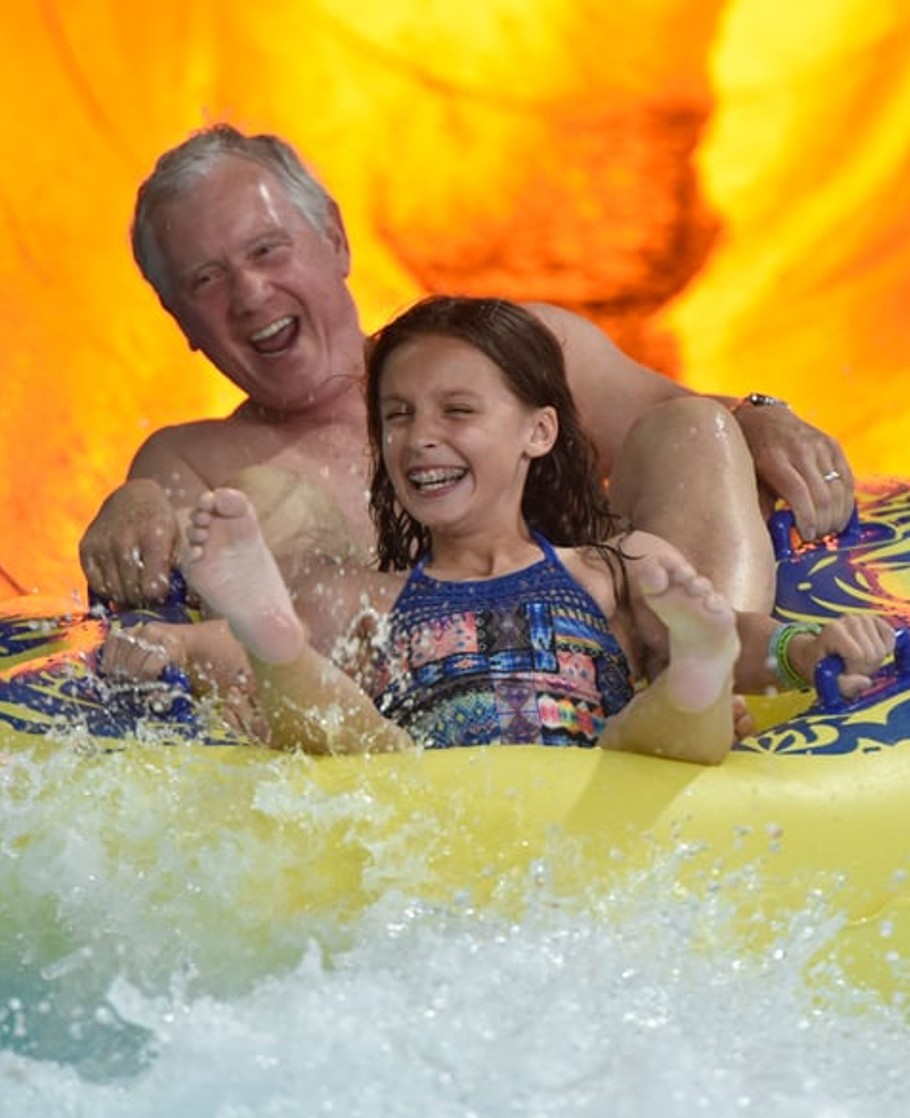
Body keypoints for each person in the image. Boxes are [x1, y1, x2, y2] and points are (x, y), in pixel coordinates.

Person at [81, 123, 855, 629]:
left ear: (336, 243)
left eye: (267, 251)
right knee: (262, 502)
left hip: (627, 679)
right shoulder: (191, 462)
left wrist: (756, 413)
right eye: (207, 281)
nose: (250, 295)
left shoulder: (508, 346)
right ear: (179, 321)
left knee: (697, 430)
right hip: (427, 744)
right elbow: (155, 549)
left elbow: (676, 418)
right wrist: (132, 508)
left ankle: (714, 685)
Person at [106, 297, 893, 760]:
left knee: (653, 727)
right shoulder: (368, 601)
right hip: (436, 794)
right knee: (363, 743)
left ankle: (695, 666)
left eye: (458, 412)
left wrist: (808, 649)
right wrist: (169, 645)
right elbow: (216, 653)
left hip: (597, 780)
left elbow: (756, 635)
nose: (420, 438)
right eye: (398, 417)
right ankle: (268, 629)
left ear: (539, 433)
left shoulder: (615, 572)